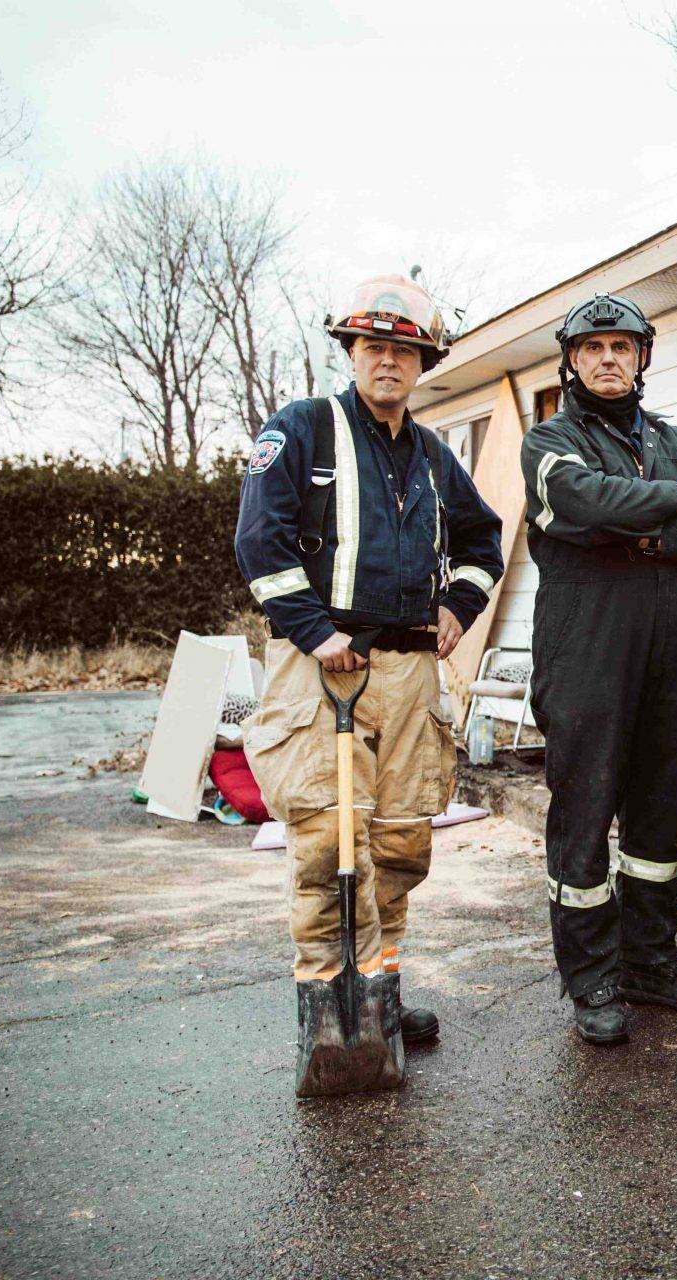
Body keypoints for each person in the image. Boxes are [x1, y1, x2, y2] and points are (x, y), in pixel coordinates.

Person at [236, 272, 503, 1045]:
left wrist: (458, 608)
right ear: (351, 353)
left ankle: (380, 992)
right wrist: (313, 630)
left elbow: (482, 541)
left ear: (423, 365)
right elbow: (260, 541)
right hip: (321, 668)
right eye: (374, 347)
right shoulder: (302, 429)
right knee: (327, 838)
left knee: (396, 841)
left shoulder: (431, 453)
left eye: (404, 351)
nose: (388, 362)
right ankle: (327, 1010)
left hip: (407, 672)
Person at [520, 292, 677, 1046]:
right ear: (573, 361)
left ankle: (650, 963)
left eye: (623, 346)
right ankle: (592, 977)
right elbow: (581, 501)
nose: (609, 359)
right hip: (583, 651)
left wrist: (645, 536)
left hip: (666, 655)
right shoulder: (549, 440)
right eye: (594, 349)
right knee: (583, 815)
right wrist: (673, 501)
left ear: (643, 357)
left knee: (659, 814)